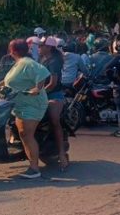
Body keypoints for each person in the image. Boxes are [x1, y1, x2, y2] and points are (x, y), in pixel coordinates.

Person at [0, 39, 51, 179]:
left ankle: (34, 169)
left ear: (13, 51)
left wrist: (37, 88)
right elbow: (11, 81)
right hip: (19, 103)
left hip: (32, 104)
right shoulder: (18, 63)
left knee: (26, 135)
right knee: (19, 132)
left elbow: (43, 72)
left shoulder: (27, 62)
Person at [38, 37, 68, 170]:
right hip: (42, 94)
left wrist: (39, 92)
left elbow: (52, 83)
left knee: (54, 121)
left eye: (41, 45)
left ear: (49, 47)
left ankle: (61, 153)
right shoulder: (42, 59)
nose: (39, 48)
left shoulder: (54, 61)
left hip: (54, 95)